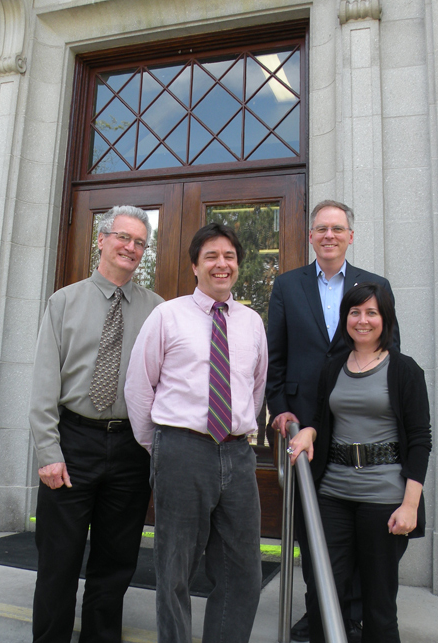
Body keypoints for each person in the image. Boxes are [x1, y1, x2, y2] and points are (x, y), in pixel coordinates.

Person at [124, 222, 268, 643]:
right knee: (175, 571)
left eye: (229, 257)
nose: (222, 264)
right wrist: (161, 447)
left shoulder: (251, 322)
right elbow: (139, 387)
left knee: (243, 571)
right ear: (195, 266)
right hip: (182, 450)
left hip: (237, 454)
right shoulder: (167, 315)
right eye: (211, 256)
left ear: (237, 265)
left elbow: (255, 387)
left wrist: (238, 427)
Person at [266, 199, 400, 642]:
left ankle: (354, 611)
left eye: (337, 228)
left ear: (350, 236)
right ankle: (318, 609)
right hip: (304, 423)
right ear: (310, 236)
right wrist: (279, 409)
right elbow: (275, 357)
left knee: (361, 523)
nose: (329, 235)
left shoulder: (374, 285)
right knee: (313, 524)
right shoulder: (287, 285)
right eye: (321, 228)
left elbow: (390, 355)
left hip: (358, 423)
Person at [29, 205, 164, 643]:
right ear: (102, 240)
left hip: (130, 448)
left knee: (115, 564)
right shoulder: (64, 302)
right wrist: (48, 453)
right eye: (123, 237)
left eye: (140, 242)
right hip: (72, 444)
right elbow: (43, 386)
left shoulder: (157, 310)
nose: (131, 247)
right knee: (58, 562)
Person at [287, 282, 431, 643]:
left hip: (384, 498)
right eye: (354, 312)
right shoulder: (333, 367)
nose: (362, 320)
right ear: (345, 318)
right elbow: (322, 418)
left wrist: (410, 505)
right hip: (332, 495)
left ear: (385, 319)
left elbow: (420, 441)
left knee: (378, 606)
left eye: (371, 312)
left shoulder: (405, 370)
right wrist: (310, 432)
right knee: (322, 597)